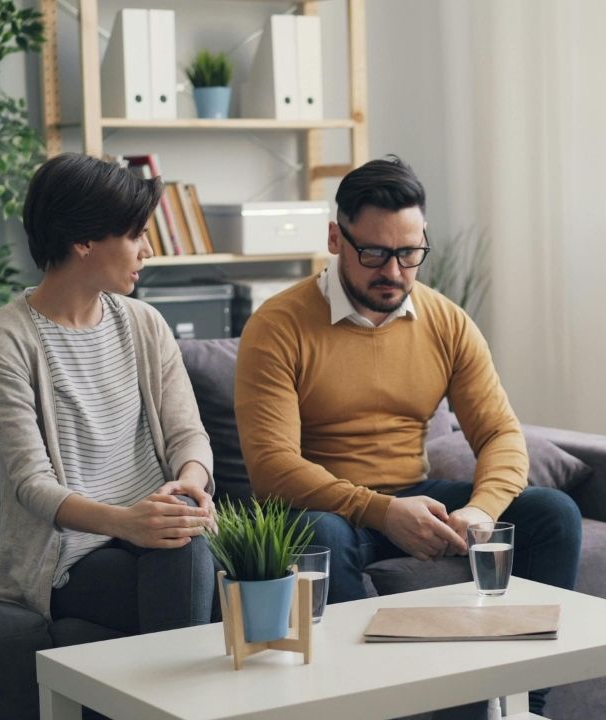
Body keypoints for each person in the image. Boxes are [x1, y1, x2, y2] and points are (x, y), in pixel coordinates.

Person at [234, 155, 581, 716]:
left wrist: (480, 512)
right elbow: (272, 467)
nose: (393, 271)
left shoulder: (446, 321)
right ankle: (366, 704)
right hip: (326, 508)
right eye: (373, 251)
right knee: (320, 532)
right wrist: (378, 511)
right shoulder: (278, 325)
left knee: (552, 513)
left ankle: (522, 704)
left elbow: (500, 435)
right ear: (334, 238)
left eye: (409, 253)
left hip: (413, 494)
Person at [0, 153, 216, 635]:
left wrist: (189, 483)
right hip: (69, 555)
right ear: (83, 240)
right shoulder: (3, 342)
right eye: (135, 236)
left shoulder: (145, 323)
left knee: (207, 554)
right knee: (193, 570)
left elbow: (190, 434)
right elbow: (32, 485)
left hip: (161, 532)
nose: (146, 251)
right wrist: (127, 522)